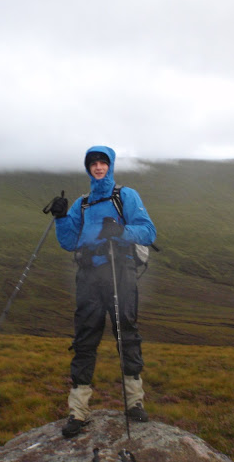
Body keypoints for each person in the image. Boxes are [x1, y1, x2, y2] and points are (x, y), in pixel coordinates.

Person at [49, 146, 157, 438]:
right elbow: (69, 242)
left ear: (110, 166)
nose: (98, 167)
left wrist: (120, 232)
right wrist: (61, 218)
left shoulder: (125, 196)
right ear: (88, 168)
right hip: (89, 275)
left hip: (120, 272)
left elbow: (148, 232)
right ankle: (78, 410)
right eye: (93, 163)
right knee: (85, 337)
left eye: (102, 162)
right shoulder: (82, 204)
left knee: (127, 332)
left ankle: (134, 402)